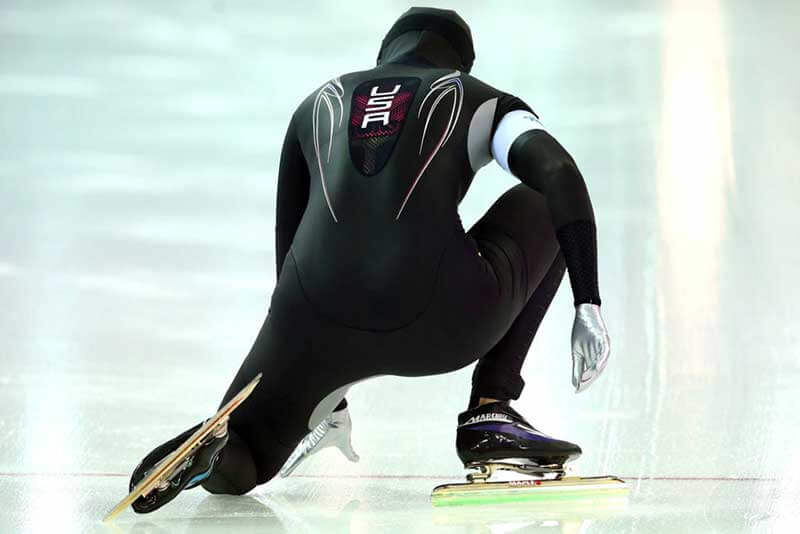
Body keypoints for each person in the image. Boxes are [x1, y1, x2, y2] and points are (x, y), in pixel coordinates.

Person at [128, 6, 611, 513]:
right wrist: (587, 302)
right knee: (542, 199)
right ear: (460, 64)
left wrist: (318, 385)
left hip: (312, 324)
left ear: (385, 54)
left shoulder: (315, 104)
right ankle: (491, 409)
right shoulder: (481, 99)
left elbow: (288, 244)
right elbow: (559, 172)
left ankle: (219, 458)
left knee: (247, 456)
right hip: (442, 318)